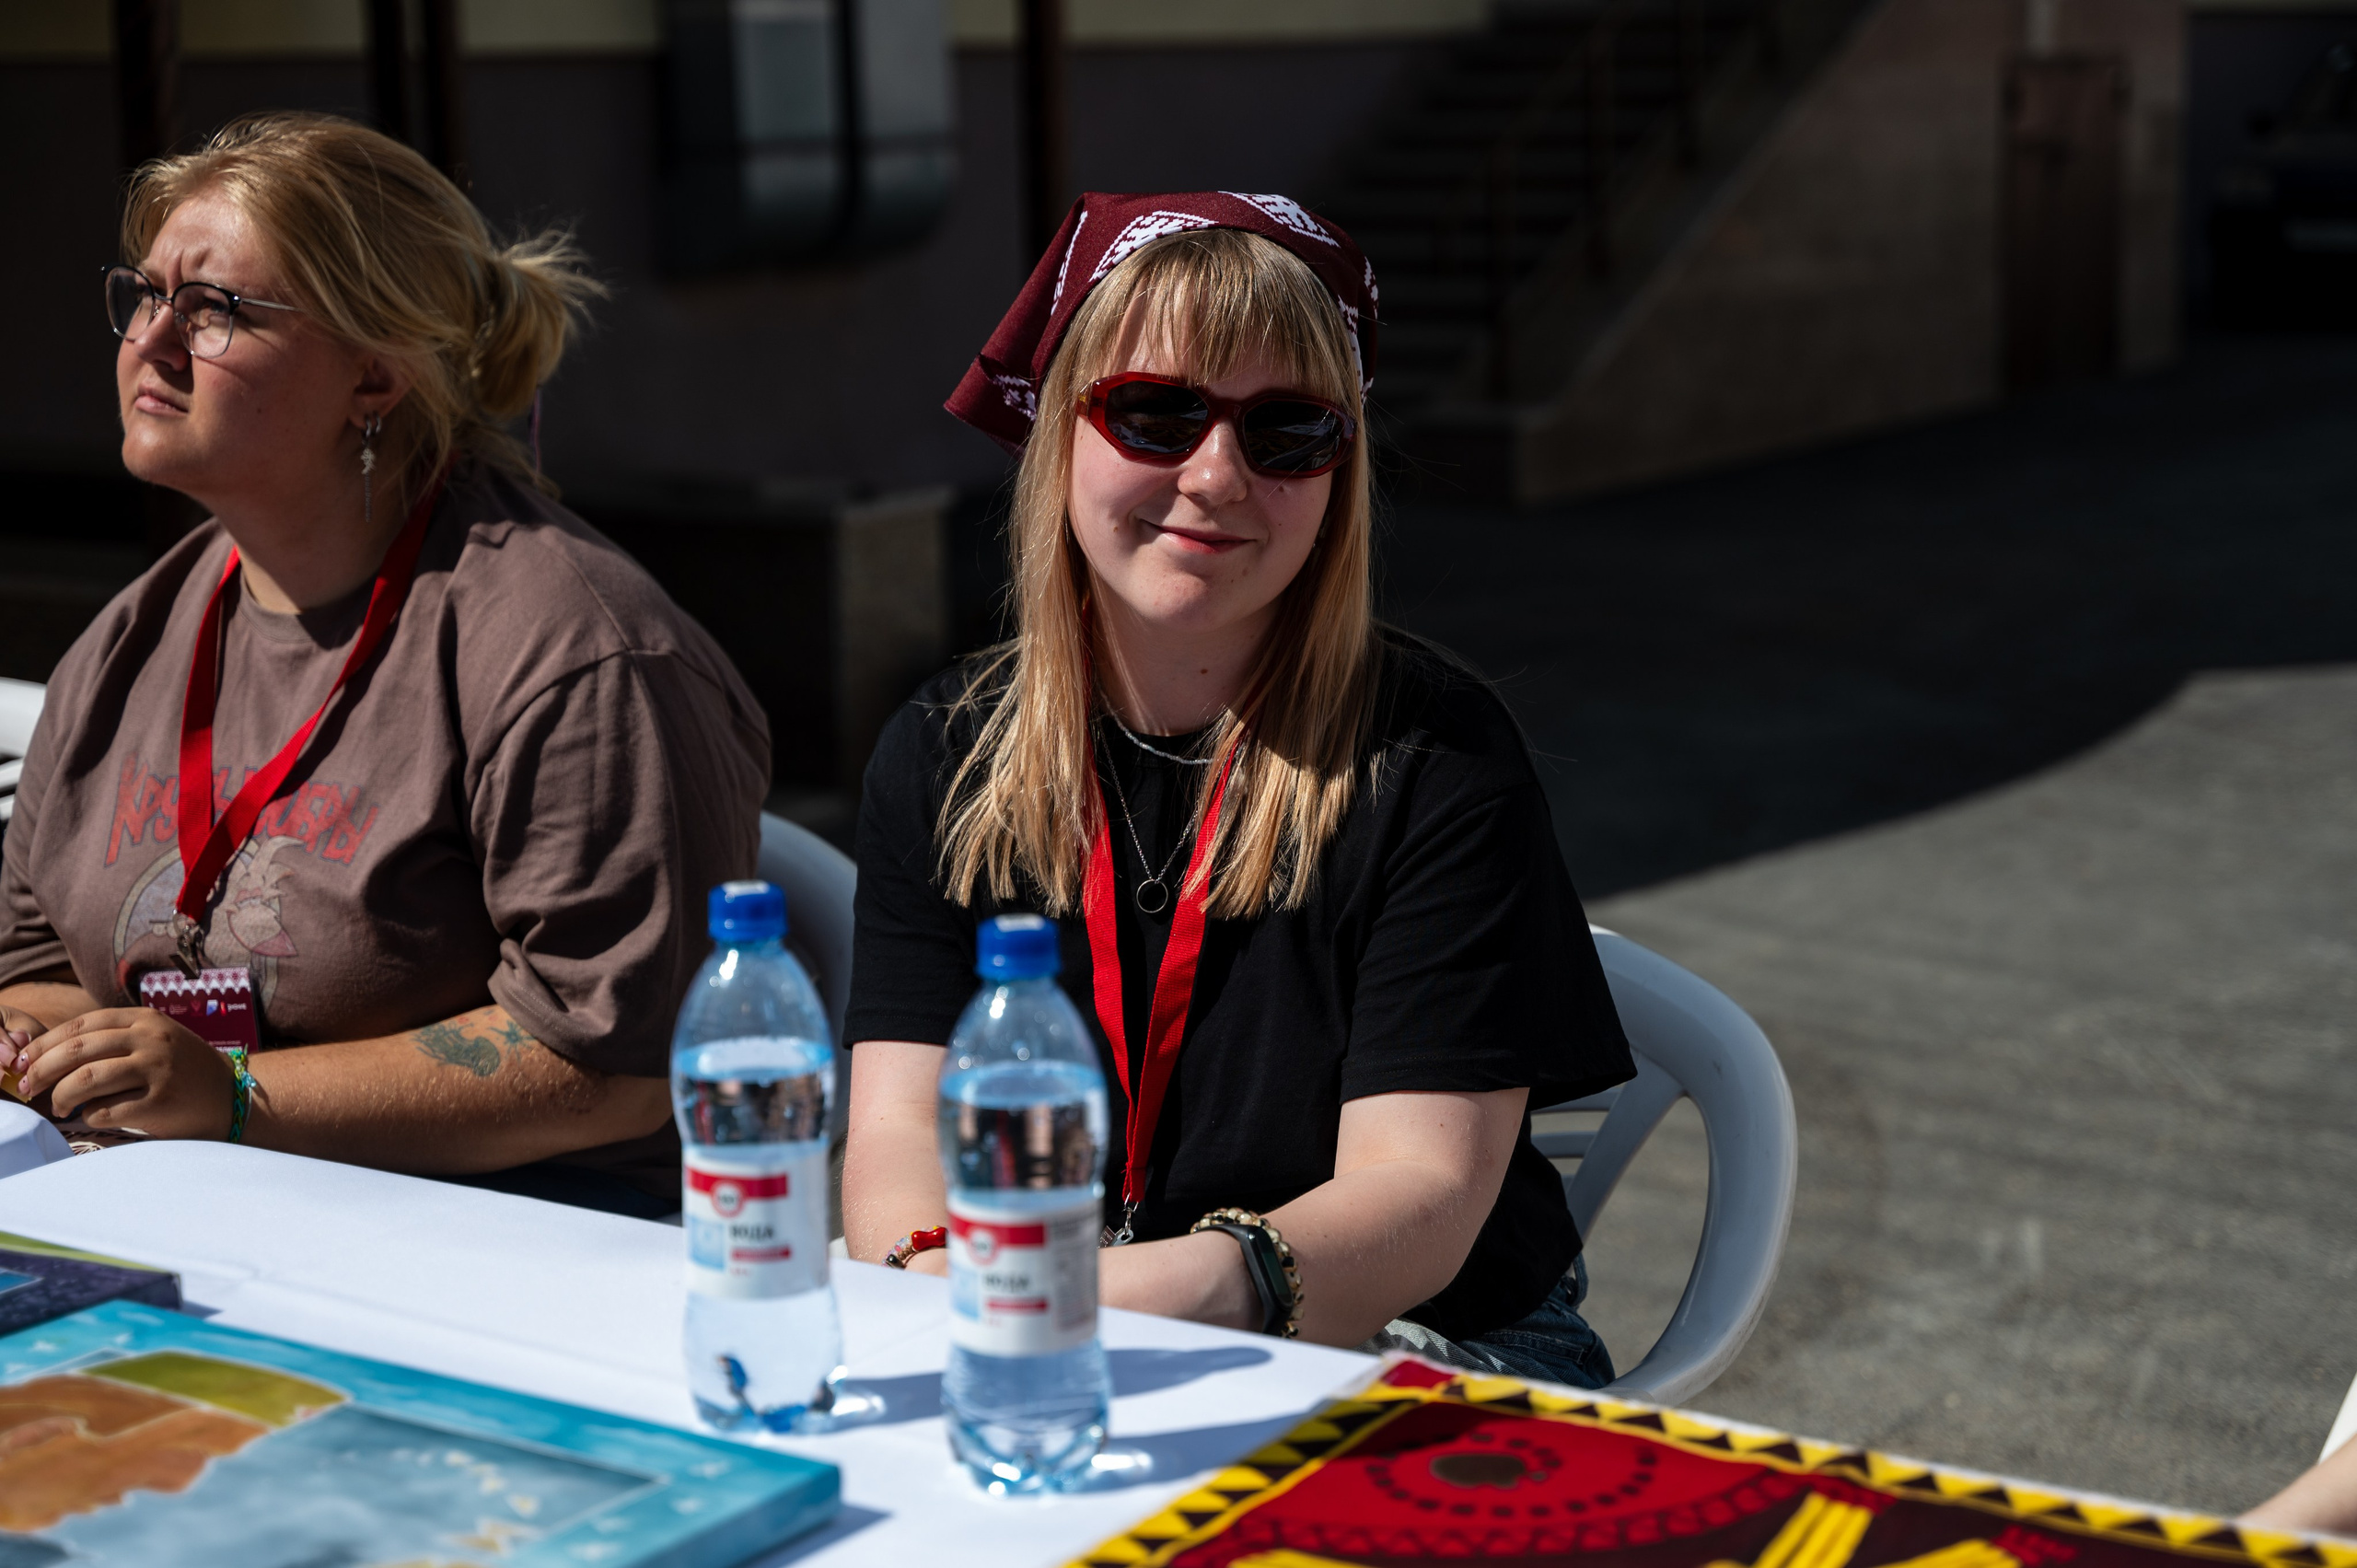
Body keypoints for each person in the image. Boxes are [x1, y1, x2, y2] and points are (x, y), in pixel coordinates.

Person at [839, 192, 1635, 1382]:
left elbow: (1418, 1189)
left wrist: (1085, 1301)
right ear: (1058, 433)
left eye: (1287, 430)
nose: (1215, 474)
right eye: (1156, 412)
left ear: (1338, 474)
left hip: (1422, 1331)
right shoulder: (947, 745)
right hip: (1039, 1313)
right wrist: (924, 1270)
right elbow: (900, 1123)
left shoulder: (1437, 756)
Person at [0, 113, 770, 1215]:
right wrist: (31, 1040)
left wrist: (236, 1093)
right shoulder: (134, 634)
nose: (152, 341)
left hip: (499, 1255)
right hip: (177, 1215)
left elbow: (612, 1066)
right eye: (145, 295)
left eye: (213, 308)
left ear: (374, 376)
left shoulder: (580, 655)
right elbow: (32, 961)